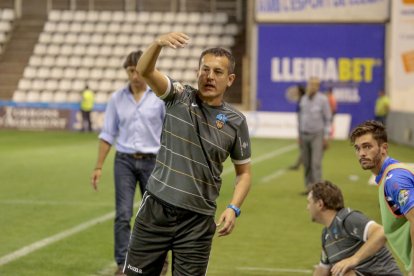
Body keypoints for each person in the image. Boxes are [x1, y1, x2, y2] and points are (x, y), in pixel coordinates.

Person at [123, 32, 252, 275]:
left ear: (230, 79)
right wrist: (158, 43)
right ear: (197, 72)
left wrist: (233, 207)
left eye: (217, 72)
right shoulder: (178, 96)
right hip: (155, 212)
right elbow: (145, 70)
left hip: (198, 223)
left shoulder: (236, 122)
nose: (209, 77)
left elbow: (244, 173)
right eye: (205, 70)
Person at [90, 50, 166, 276]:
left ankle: (159, 263)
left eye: (139, 70)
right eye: (131, 71)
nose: (135, 75)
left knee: (155, 217)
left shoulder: (159, 98)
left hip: (153, 162)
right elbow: (107, 134)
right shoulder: (116, 99)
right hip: (124, 161)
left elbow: (169, 133)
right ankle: (123, 264)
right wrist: (98, 166)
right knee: (123, 215)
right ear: (127, 71)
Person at [350, 120, 414, 274]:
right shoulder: (386, 177)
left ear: (384, 148)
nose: (361, 153)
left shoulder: (394, 180)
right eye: (357, 148)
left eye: (367, 146)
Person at [308, 181, 402, 276]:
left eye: (309, 202)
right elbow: (322, 270)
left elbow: (380, 232)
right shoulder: (326, 235)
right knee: (339, 270)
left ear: (320, 204)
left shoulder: (347, 219)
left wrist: (353, 259)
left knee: (344, 272)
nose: (307, 207)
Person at [298, 77, 332, 192]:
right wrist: (299, 135)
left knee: (315, 163)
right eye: (310, 84)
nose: (312, 86)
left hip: (317, 134)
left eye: (314, 84)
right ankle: (309, 187)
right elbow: (301, 118)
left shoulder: (323, 100)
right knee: (306, 163)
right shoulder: (303, 99)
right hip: (304, 134)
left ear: (317, 86)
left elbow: (328, 118)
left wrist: (326, 137)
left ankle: (318, 189)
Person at [289, 84, 306, 170]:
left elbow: (302, 116)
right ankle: (299, 164)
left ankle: (299, 164)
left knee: (304, 148)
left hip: (304, 127)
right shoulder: (303, 100)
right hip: (303, 125)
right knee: (304, 149)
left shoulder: (302, 101)